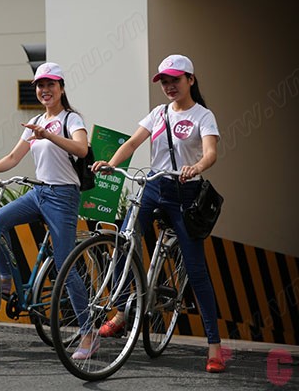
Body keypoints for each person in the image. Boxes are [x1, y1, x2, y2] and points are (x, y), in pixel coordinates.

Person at [92, 54, 224, 373]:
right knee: (123, 241)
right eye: (164, 81)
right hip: (153, 186)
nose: (169, 86)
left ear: (190, 80)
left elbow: (210, 153)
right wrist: (111, 163)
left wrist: (197, 167)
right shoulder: (158, 113)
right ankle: (122, 312)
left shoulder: (203, 115)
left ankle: (215, 347)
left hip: (184, 193)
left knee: (196, 269)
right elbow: (132, 143)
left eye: (175, 80)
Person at [0, 62, 98, 359]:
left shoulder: (71, 119)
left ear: (61, 88)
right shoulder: (36, 121)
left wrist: (48, 135)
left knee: (65, 266)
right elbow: (14, 157)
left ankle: (89, 333)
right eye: (40, 85)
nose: (44, 90)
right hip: (39, 192)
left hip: (63, 196)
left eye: (50, 84)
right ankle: (5, 280)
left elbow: (81, 149)